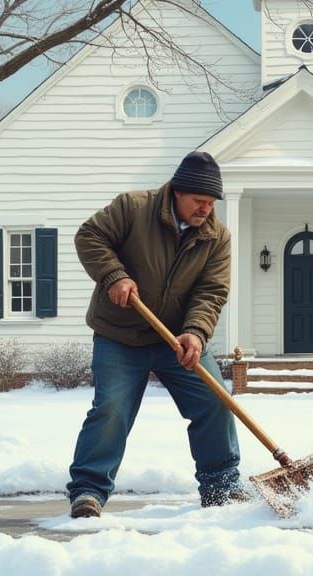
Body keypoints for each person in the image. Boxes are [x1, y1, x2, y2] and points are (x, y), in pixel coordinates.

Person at [67, 151, 244, 518]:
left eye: (211, 203)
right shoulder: (133, 208)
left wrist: (195, 333)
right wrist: (114, 275)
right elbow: (89, 236)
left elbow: (211, 292)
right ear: (178, 191)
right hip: (120, 335)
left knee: (216, 401)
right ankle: (88, 491)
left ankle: (222, 488)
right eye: (199, 201)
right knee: (112, 408)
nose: (206, 210)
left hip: (175, 341)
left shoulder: (217, 238)